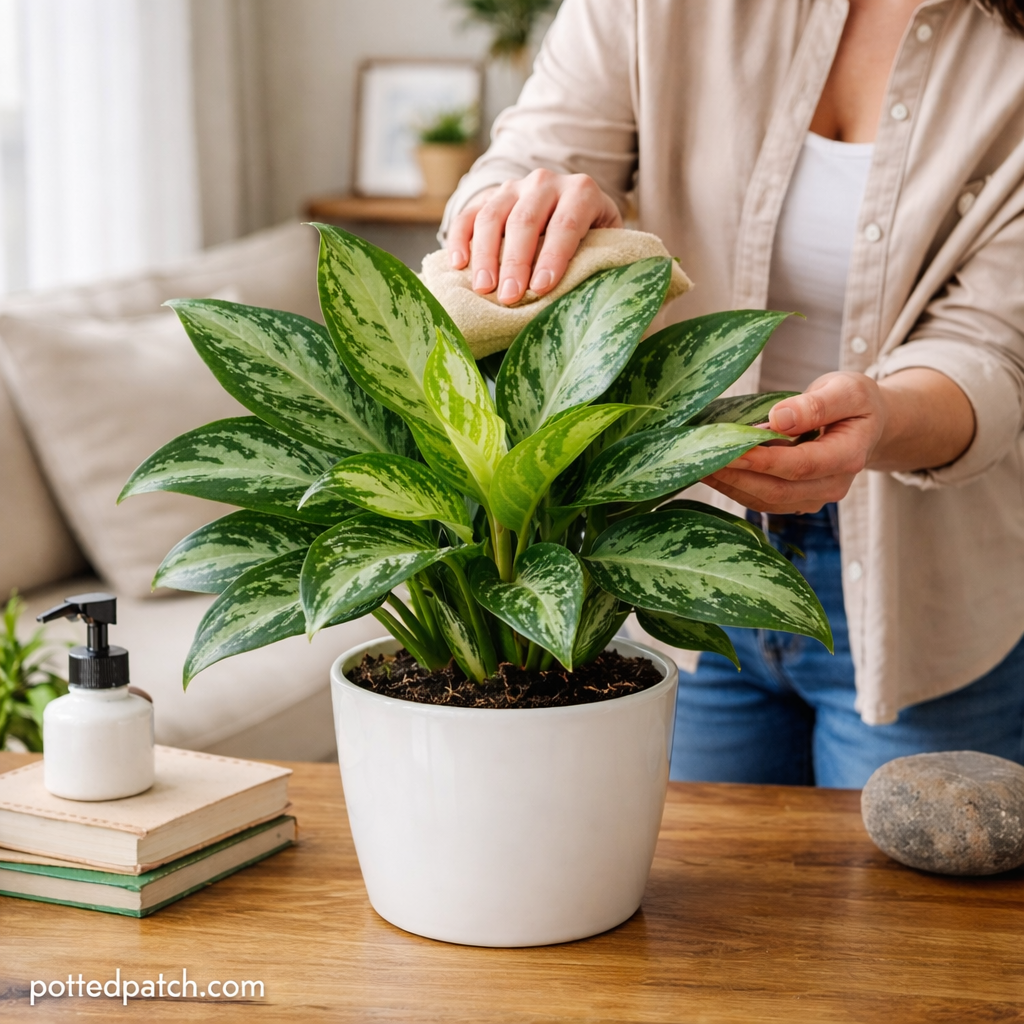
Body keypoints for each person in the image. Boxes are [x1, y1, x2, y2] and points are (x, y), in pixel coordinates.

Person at [439, 0, 1024, 787]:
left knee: (908, 904)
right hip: (663, 553)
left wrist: (880, 421)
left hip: (926, 593)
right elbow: (523, 165)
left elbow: (992, 349)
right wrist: (530, 215)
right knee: (690, 903)